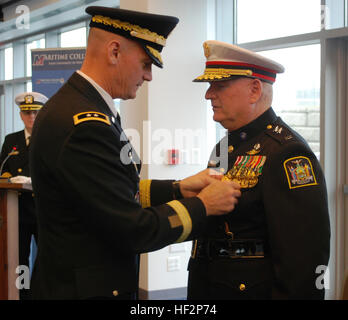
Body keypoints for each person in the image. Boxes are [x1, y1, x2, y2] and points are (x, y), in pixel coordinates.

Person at [29, 7, 241, 300]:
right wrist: (203, 205)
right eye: (145, 63)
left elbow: (109, 193)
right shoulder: (86, 124)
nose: (149, 76)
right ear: (114, 51)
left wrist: (179, 187)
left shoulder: (80, 107)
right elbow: (132, 230)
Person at [187, 40, 331, 300]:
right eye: (209, 86)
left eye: (219, 85)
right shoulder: (225, 147)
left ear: (254, 90)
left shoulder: (287, 152)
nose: (208, 95)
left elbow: (304, 259)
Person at [0, 91, 48, 300]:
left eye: (35, 113)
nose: (31, 117)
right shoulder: (11, 140)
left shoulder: (50, 139)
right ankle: (24, 293)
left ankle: (43, 293)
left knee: (47, 256)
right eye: (27, 113)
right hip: (17, 210)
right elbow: (2, 170)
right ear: (20, 115)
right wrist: (10, 177)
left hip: (42, 208)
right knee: (20, 258)